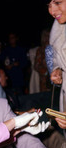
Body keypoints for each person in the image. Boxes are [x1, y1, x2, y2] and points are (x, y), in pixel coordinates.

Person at [47, 0, 66, 136]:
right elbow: (58, 57)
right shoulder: (60, 27)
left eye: (58, 2)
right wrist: (57, 69)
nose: (52, 11)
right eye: (49, 5)